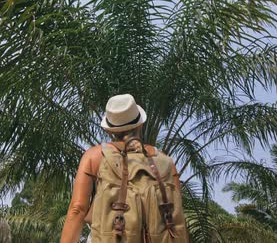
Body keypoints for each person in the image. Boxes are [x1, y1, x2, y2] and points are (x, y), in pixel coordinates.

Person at [60, 94, 186, 243]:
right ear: (140, 125)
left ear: (109, 131)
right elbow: (176, 211)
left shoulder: (95, 156)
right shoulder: (164, 161)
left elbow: (78, 209)